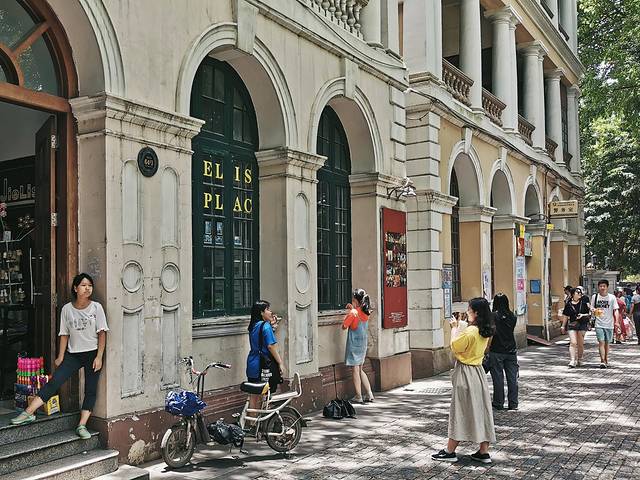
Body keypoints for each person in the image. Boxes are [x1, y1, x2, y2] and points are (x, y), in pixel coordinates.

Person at [11, 273, 108, 440]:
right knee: (55, 381)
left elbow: (102, 334)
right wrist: (61, 356)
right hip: (73, 355)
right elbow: (64, 334)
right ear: (75, 288)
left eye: (90, 286)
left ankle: (82, 425)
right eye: (83, 285)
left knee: (90, 389)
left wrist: (99, 356)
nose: (87, 288)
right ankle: (28, 412)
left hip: (92, 354)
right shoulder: (67, 309)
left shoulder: (96, 308)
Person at [432, 298, 496, 464]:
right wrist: (460, 324)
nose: (467, 312)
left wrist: (454, 328)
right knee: (481, 410)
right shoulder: (484, 330)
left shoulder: (471, 332)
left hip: (466, 372)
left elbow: (455, 346)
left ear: (476, 312)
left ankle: (450, 451)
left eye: (469, 309)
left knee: (460, 410)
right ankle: (483, 451)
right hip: (478, 372)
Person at [342, 288, 374, 404]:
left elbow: (344, 326)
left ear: (355, 300)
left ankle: (358, 395)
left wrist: (350, 312)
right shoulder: (366, 312)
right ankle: (369, 393)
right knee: (360, 369)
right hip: (362, 344)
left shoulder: (353, 313)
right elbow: (358, 315)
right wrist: (353, 309)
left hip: (354, 344)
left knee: (355, 370)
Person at [246, 300, 284, 393]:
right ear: (261, 312)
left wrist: (272, 326)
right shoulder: (266, 326)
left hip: (252, 363)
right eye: (267, 309)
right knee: (266, 394)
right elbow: (271, 346)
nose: (270, 312)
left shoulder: (253, 326)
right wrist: (280, 363)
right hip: (264, 364)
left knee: (254, 394)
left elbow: (260, 339)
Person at [489, 294, 518, 411]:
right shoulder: (513, 316)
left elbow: (491, 332)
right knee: (512, 378)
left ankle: (498, 402)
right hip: (511, 350)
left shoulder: (493, 316)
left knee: (498, 378)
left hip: (496, 349)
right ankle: (513, 403)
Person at [590, 279, 620, 368]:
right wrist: (593, 310)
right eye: (600, 286)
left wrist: (617, 322)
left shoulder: (612, 297)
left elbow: (616, 310)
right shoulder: (595, 297)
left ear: (607, 287)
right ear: (598, 287)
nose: (602, 288)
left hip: (609, 324)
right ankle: (602, 361)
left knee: (607, 343)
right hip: (599, 323)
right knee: (601, 342)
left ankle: (606, 359)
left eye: (604, 286)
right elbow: (591, 307)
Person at [561, 288, 591, 367]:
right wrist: (563, 326)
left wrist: (582, 315)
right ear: (573, 294)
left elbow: (589, 314)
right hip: (572, 324)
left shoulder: (583, 303)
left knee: (580, 343)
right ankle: (572, 360)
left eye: (580, 292)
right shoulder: (568, 304)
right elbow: (565, 316)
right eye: (577, 292)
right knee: (573, 342)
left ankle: (580, 359)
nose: (579, 293)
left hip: (582, 324)